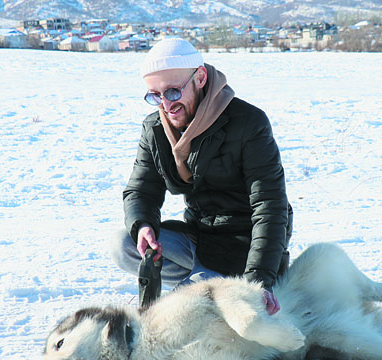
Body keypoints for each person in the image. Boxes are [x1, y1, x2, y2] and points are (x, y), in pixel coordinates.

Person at [110, 38, 292, 315]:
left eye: (172, 92)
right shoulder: (156, 128)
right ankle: (203, 282)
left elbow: (270, 207)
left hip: (243, 246)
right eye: (154, 95)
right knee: (123, 244)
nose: (165, 105)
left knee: (184, 308)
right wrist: (144, 224)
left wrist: (259, 279)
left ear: (201, 77)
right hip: (201, 236)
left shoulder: (248, 123)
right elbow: (141, 189)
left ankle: (220, 285)